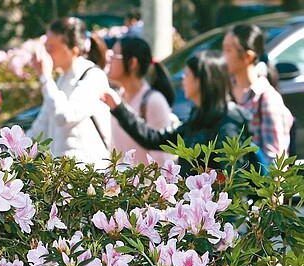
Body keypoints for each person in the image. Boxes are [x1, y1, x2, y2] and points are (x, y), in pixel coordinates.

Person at [101, 50, 250, 176]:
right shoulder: (197, 117)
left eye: (187, 75)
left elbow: (231, 178)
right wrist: (118, 108)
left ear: (201, 80)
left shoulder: (228, 120)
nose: (183, 80)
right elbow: (153, 139)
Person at [27, 17, 111, 170]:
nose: (45, 54)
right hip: (63, 176)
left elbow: (65, 116)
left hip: (88, 176)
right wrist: (10, 149)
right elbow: (41, 126)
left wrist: (45, 78)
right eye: (45, 47)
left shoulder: (93, 76)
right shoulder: (60, 79)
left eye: (51, 48)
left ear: (73, 51)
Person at [223, 23, 294, 166]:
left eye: (228, 50)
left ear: (247, 57)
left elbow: (275, 164)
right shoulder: (224, 93)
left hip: (253, 187)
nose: (223, 57)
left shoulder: (267, 99)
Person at [107, 36, 177, 165]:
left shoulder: (153, 101)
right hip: (121, 183)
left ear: (132, 63)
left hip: (144, 184)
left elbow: (162, 158)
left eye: (115, 55)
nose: (109, 60)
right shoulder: (117, 99)